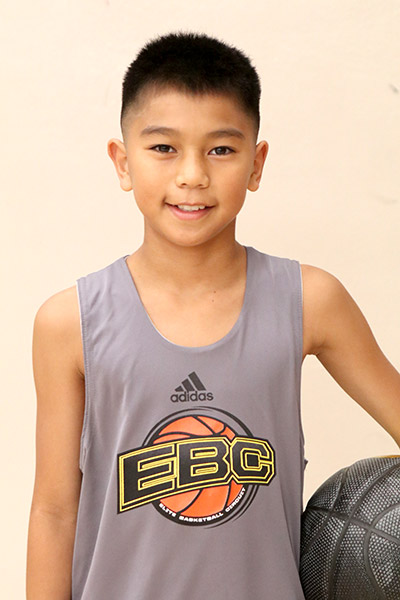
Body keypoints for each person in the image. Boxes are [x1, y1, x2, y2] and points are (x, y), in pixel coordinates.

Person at [26, 31, 400, 600]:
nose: (192, 175)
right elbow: (54, 511)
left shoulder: (310, 299)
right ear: (122, 163)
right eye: (163, 148)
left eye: (221, 150)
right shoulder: (69, 321)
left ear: (256, 163)